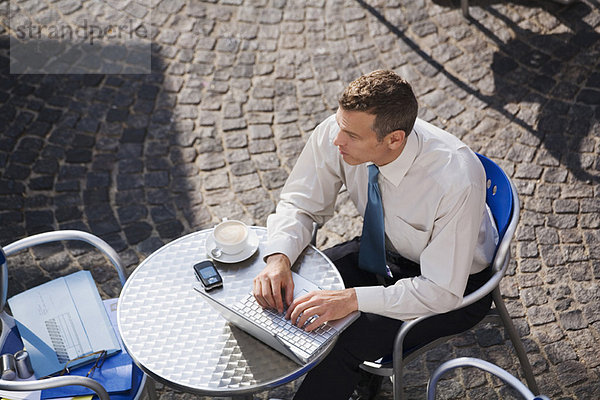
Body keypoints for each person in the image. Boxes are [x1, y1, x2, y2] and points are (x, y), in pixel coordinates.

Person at [252, 70, 499, 400]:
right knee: (277, 299)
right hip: (379, 254)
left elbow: (441, 290)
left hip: (452, 287)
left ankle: (347, 379)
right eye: (340, 126)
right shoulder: (340, 132)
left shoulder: (454, 179)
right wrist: (279, 258)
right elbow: (299, 203)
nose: (337, 140)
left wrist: (351, 299)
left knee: (339, 345)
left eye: (351, 135)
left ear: (394, 139)